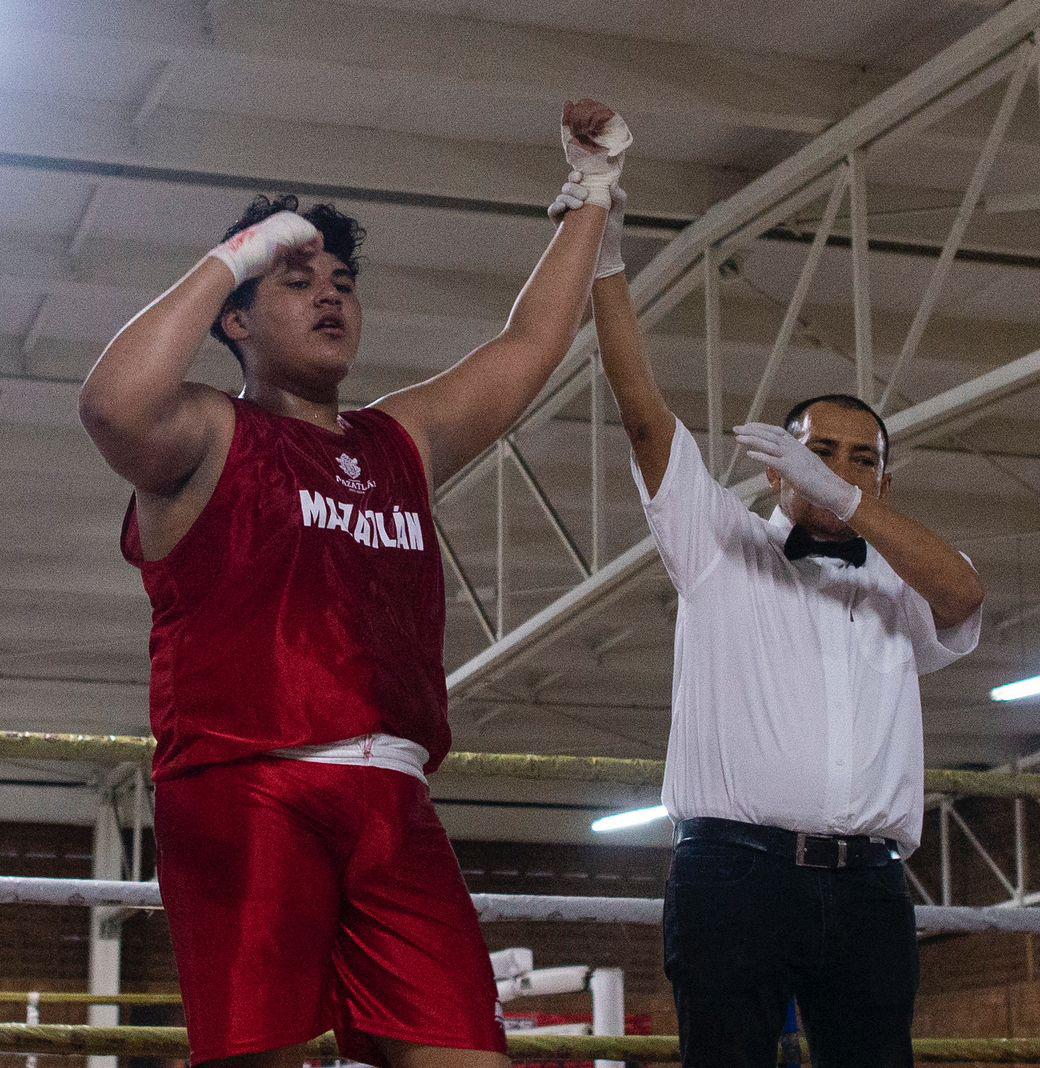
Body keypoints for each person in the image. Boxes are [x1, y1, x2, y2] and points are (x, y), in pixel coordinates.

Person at [78, 101, 628, 1068]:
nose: (331, 295)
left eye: (342, 282)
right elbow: (112, 403)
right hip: (249, 784)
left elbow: (528, 348)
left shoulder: (397, 439)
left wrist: (592, 190)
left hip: (395, 798)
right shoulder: (206, 432)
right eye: (297, 282)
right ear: (237, 317)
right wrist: (233, 255)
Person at [548, 177, 985, 1067]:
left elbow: (967, 598)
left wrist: (848, 503)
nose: (840, 469)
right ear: (777, 465)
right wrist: (607, 248)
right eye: (819, 452)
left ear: (884, 484)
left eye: (864, 461)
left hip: (869, 886)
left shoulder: (905, 582)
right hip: (732, 878)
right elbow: (641, 414)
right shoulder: (719, 545)